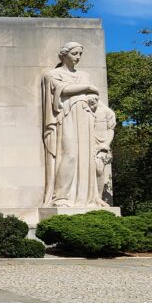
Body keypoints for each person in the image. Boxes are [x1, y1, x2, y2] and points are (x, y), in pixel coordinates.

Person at [41, 42, 101, 207]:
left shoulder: (84, 75)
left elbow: (94, 98)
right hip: (66, 116)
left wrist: (90, 95)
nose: (78, 57)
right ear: (64, 54)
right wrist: (88, 88)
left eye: (80, 54)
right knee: (70, 154)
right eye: (75, 53)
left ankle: (86, 198)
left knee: (86, 156)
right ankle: (61, 197)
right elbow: (63, 90)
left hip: (85, 115)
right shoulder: (53, 74)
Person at [88, 94, 116, 206]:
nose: (91, 107)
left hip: (101, 146)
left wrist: (106, 144)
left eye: (92, 104)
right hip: (88, 145)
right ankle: (91, 198)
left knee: (99, 170)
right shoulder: (85, 110)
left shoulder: (107, 112)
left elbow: (111, 129)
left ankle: (98, 198)